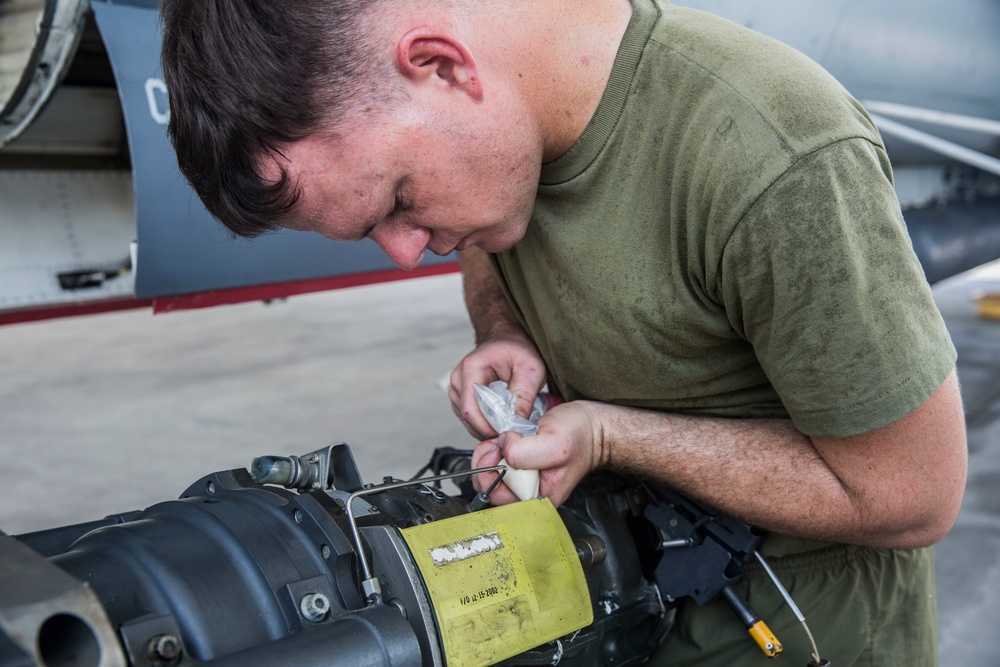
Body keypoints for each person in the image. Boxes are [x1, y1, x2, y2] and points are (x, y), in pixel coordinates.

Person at [160, 0, 968, 664]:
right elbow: (485, 248)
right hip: (629, 615)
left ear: (443, 66)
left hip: (797, 633)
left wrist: (612, 436)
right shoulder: (501, 146)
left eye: (400, 202)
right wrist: (506, 328)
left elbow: (911, 494)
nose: (408, 250)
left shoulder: (771, 154)